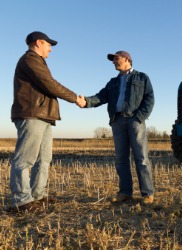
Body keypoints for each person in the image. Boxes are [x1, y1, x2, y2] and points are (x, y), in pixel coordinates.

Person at [9, 31, 86, 212]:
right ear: (38, 43)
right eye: (48, 45)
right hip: (32, 114)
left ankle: (38, 195)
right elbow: (49, 83)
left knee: (44, 159)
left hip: (43, 115)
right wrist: (75, 98)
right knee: (25, 160)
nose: (50, 49)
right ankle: (22, 201)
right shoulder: (30, 60)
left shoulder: (37, 61)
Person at [81, 51, 155, 205]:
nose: (113, 61)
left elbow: (149, 99)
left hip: (135, 121)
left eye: (116, 58)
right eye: (113, 59)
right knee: (121, 159)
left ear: (127, 59)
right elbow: (101, 97)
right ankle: (125, 193)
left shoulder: (142, 77)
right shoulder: (113, 82)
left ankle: (147, 193)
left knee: (141, 158)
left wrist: (139, 117)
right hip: (117, 121)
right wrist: (86, 101)